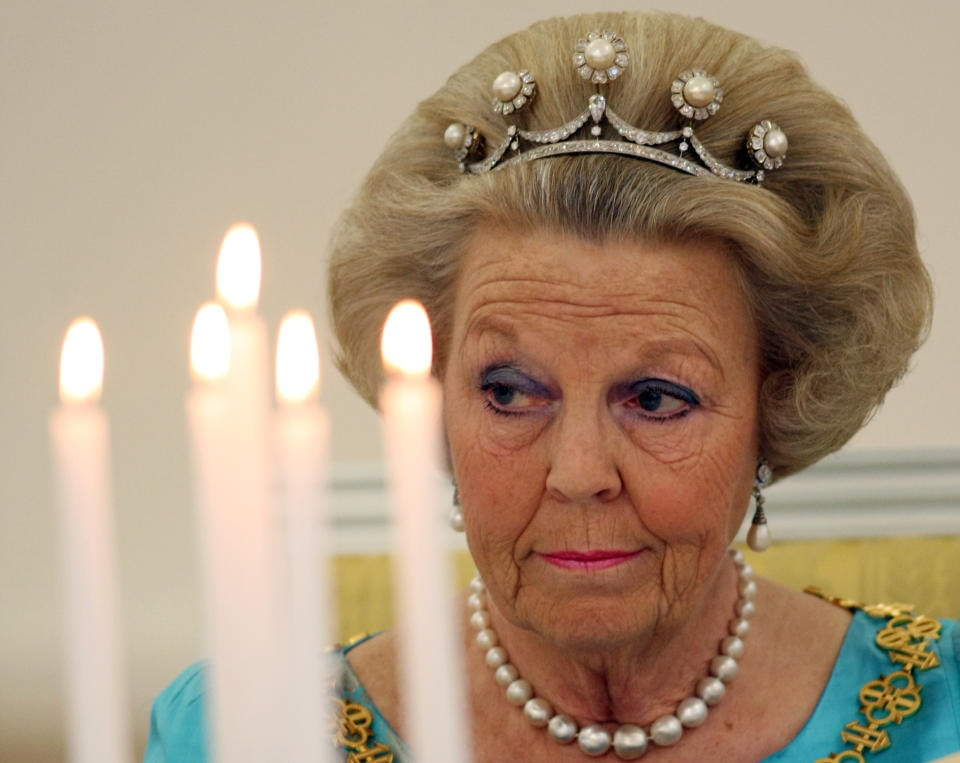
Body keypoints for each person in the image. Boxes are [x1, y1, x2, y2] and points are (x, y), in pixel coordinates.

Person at [145, 10, 957, 763]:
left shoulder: (941, 718)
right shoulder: (245, 733)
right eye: (508, 391)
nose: (578, 472)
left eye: (656, 398)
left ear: (775, 405)